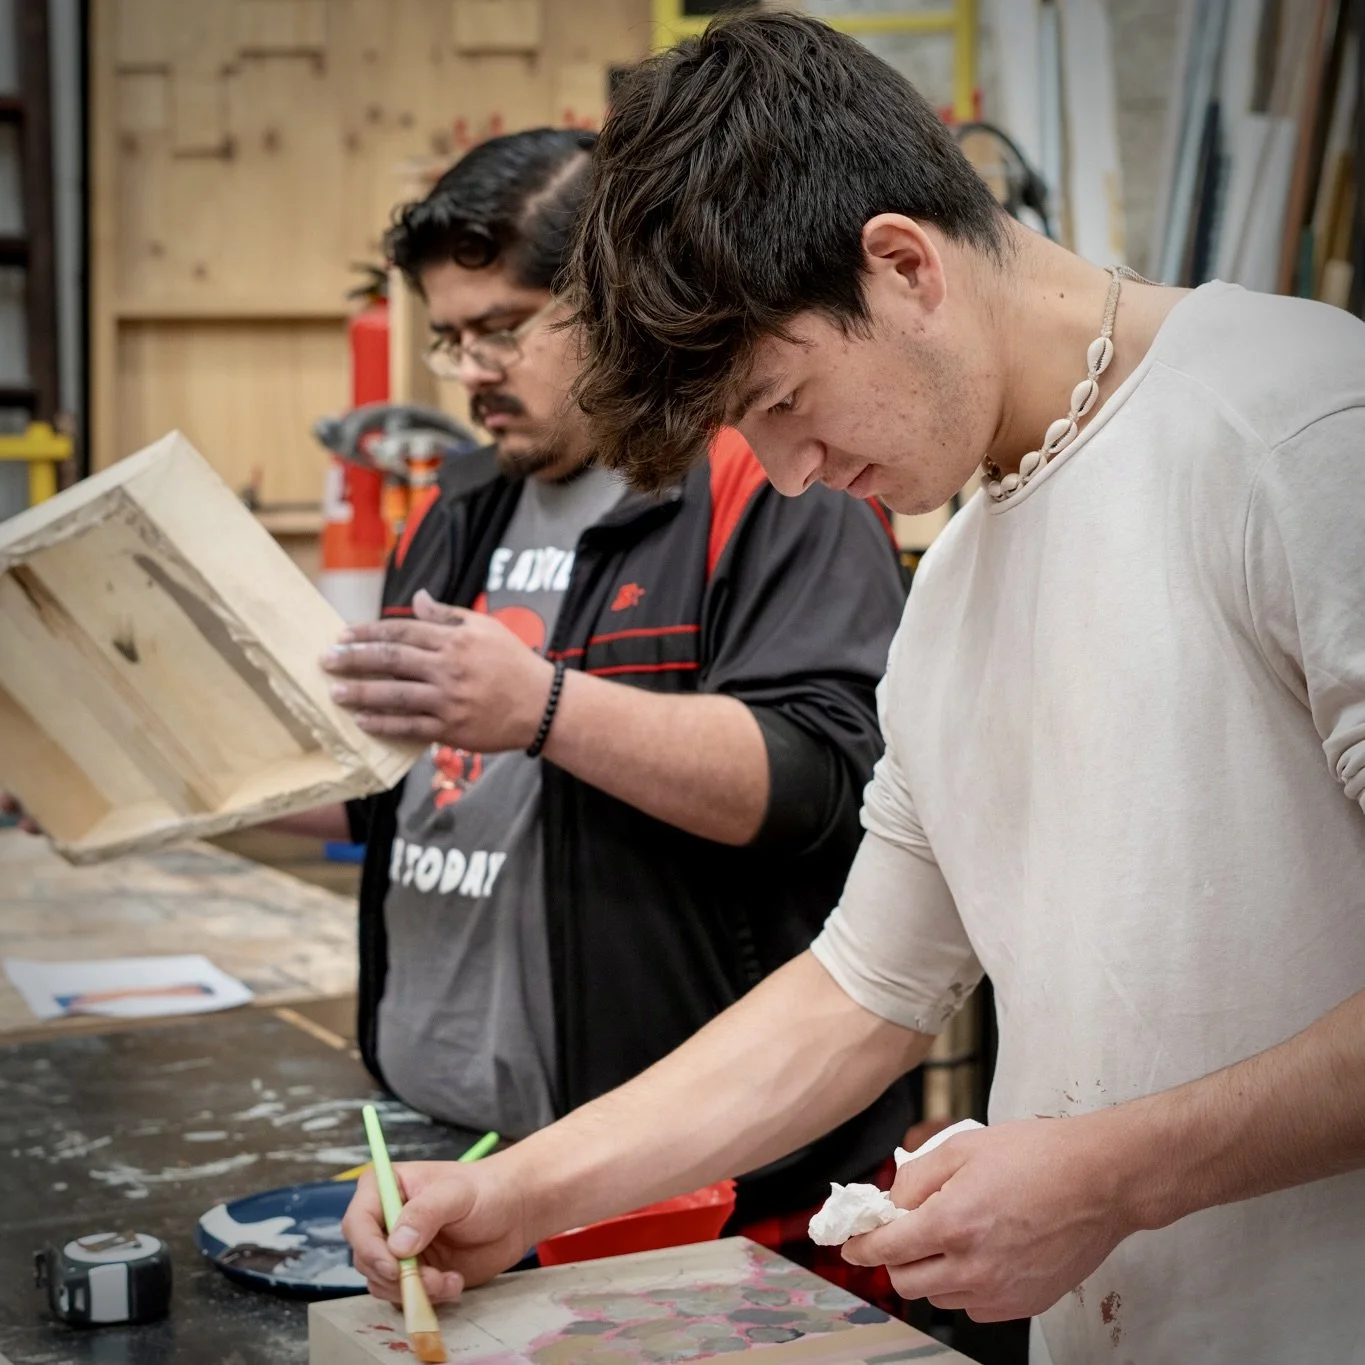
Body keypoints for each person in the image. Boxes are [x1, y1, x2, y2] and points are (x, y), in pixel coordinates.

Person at [342, 16, 1365, 1365]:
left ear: (901, 265)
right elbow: (861, 991)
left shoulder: (1300, 429)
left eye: (782, 399)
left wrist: (1114, 1174)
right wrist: (520, 1190)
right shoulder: (954, 581)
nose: (784, 472)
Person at [314, 127, 921, 1307]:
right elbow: (391, 781)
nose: (474, 368)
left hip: (698, 1187)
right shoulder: (454, 512)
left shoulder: (777, 477)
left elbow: (822, 781)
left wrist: (539, 706)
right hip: (449, 1151)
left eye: (503, 327)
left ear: (613, 299)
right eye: (450, 339)